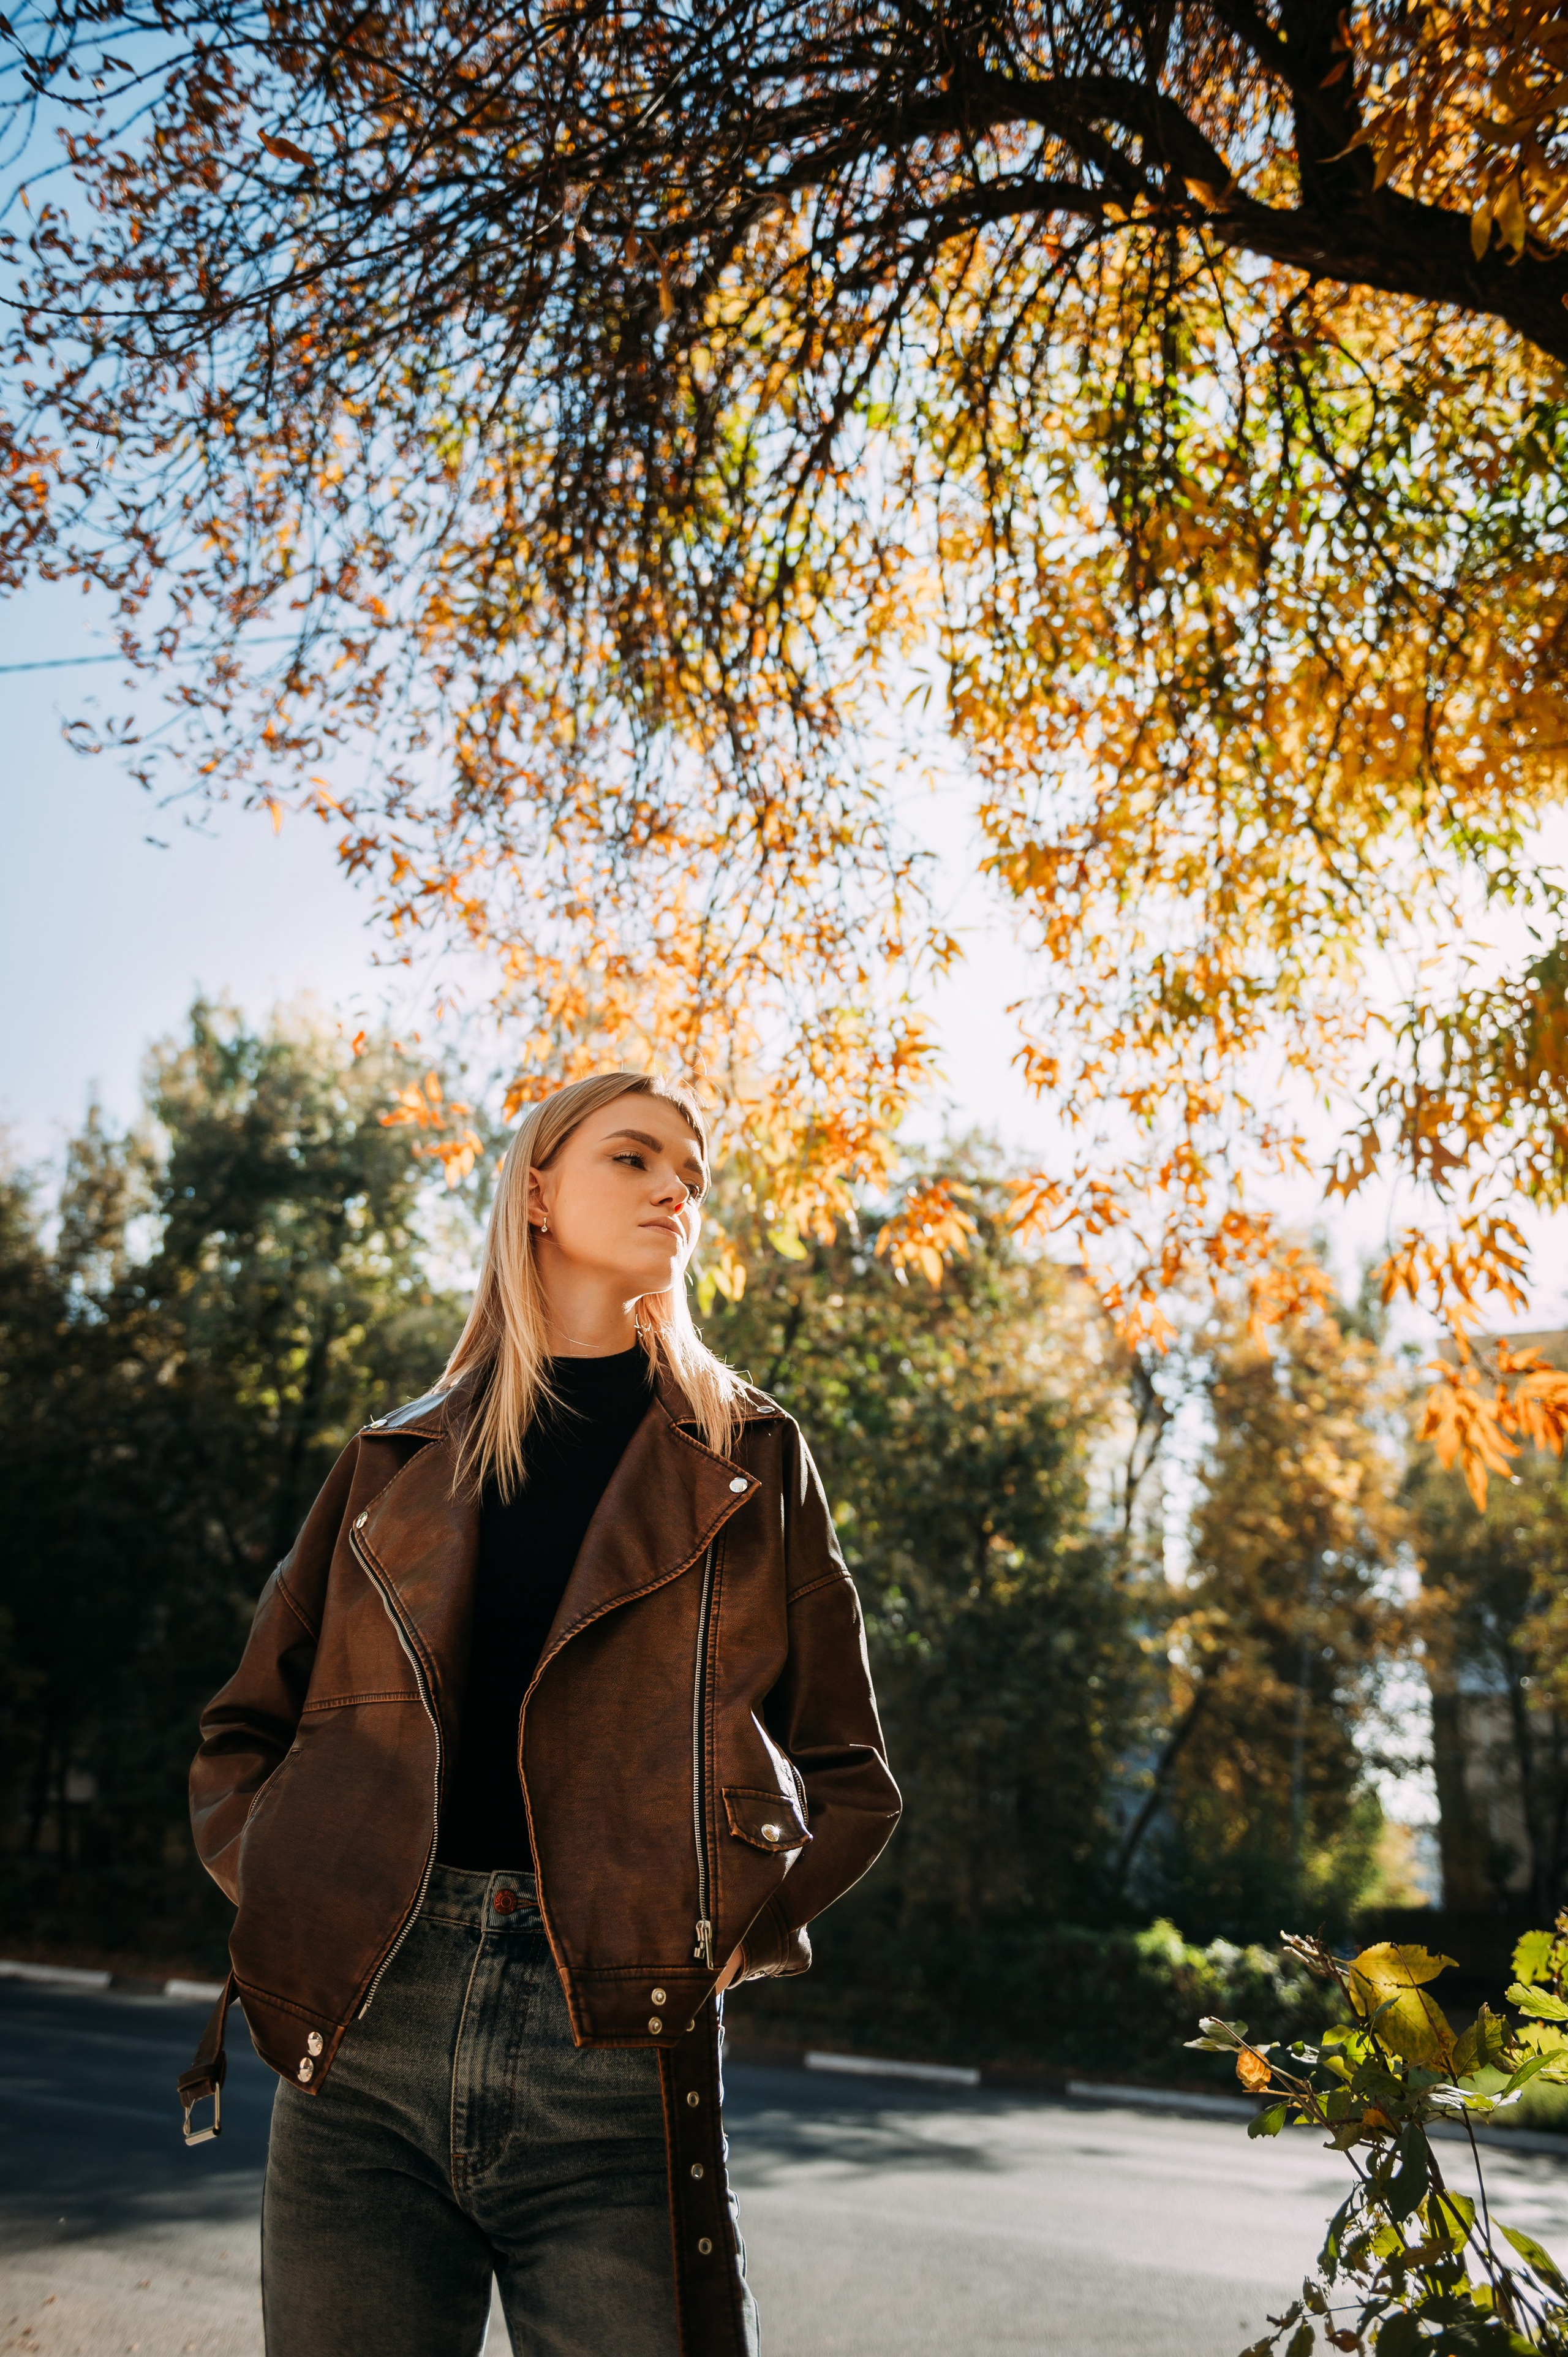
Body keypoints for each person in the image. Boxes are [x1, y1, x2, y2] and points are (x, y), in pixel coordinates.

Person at [177, 1070, 900, 2357]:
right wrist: (286, 1884)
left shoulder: (755, 1457)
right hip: (362, 2044)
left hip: (619, 2051)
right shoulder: (391, 1460)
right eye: (633, 1156)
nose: (677, 1186)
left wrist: (731, 1936)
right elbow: (246, 1729)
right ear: (535, 1189)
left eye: (692, 1170)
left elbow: (850, 1772)